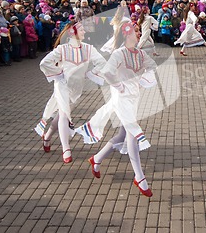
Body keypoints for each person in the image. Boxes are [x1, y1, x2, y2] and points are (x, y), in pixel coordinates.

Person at [76, 21, 157, 197]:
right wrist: (118, 85)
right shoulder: (119, 54)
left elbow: (152, 66)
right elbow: (107, 72)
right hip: (121, 98)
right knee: (132, 135)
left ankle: (96, 159)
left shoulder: (140, 53)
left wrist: (143, 79)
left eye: (138, 31)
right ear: (127, 35)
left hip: (133, 97)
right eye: (135, 32)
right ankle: (140, 177)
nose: (138, 34)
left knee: (122, 135)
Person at [35, 21, 107, 163]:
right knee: (63, 114)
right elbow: (44, 63)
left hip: (76, 88)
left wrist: (91, 73)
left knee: (64, 114)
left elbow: (102, 63)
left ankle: (48, 136)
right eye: (81, 30)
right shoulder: (62, 49)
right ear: (72, 32)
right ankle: (66, 149)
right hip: (62, 85)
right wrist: (58, 73)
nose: (84, 32)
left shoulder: (88, 48)